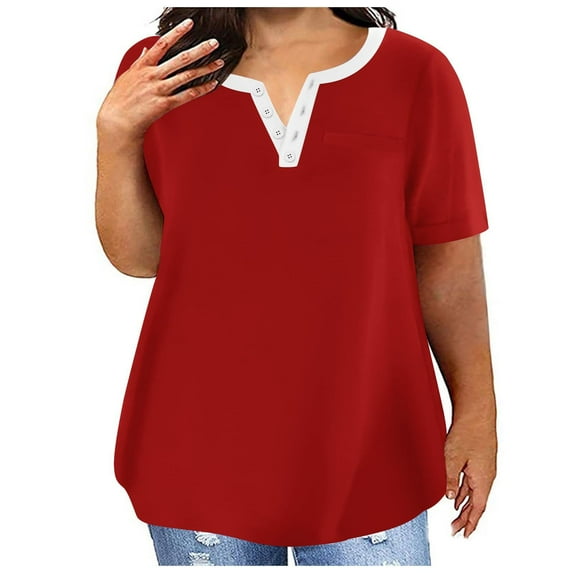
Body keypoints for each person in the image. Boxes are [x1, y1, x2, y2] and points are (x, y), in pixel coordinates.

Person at [95, 6, 497, 567]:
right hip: (197, 446)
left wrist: (477, 414)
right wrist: (115, 134)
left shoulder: (415, 72)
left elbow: (449, 263)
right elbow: (141, 259)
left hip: (371, 449)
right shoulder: (160, 69)